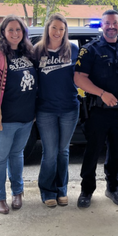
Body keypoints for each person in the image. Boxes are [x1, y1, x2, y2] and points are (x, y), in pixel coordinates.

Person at [73, 10, 118, 208]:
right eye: (107, 23)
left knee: (117, 151)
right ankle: (86, 190)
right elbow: (79, 78)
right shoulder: (90, 49)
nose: (111, 26)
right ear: (102, 26)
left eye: (115, 23)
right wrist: (102, 93)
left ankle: (113, 188)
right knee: (92, 151)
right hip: (97, 111)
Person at [0, 14, 37, 214]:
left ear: (24, 32)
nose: (15, 33)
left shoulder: (27, 52)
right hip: (3, 120)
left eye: (18, 29)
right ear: (2, 32)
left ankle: (17, 192)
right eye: (10, 29)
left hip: (26, 118)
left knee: (17, 155)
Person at [32, 13, 79, 207]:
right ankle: (47, 190)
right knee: (49, 152)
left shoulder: (73, 49)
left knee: (63, 151)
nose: (58, 32)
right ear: (47, 29)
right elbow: (30, 80)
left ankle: (62, 189)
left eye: (62, 28)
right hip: (45, 110)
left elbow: (85, 73)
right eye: (54, 28)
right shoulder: (37, 51)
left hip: (69, 108)